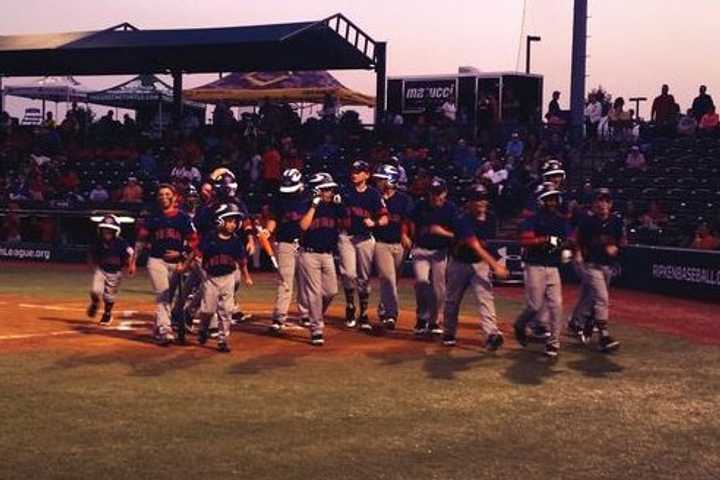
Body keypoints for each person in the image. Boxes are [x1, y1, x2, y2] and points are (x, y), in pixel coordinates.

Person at [442, 185, 509, 347]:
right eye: (477, 199)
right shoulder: (461, 219)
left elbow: (486, 245)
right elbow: (475, 245)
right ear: (469, 202)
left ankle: (491, 334)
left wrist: (491, 263)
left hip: (480, 263)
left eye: (483, 198)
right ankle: (449, 333)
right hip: (459, 263)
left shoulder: (491, 218)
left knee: (485, 297)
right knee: (452, 300)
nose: (481, 202)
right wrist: (496, 265)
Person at [130, 184, 198, 346]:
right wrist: (133, 260)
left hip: (177, 264)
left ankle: (158, 327)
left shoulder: (182, 218)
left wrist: (182, 254)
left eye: (167, 194)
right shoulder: (153, 217)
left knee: (170, 296)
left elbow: (194, 241)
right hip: (156, 261)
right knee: (163, 295)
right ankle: (165, 330)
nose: (164, 197)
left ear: (174, 197)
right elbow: (141, 240)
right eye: (160, 194)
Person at [513, 182, 573, 358]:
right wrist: (545, 240)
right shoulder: (533, 219)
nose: (552, 202)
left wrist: (565, 245)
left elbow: (569, 238)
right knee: (534, 305)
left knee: (556, 305)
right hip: (535, 265)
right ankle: (520, 324)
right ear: (542, 200)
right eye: (548, 199)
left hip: (552, 266)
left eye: (554, 198)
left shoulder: (561, 220)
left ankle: (553, 342)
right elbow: (525, 240)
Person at [189, 203, 252, 353]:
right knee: (207, 311)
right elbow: (196, 253)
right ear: (219, 221)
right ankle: (203, 329)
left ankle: (223, 340)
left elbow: (242, 261)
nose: (232, 225)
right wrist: (185, 267)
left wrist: (247, 276)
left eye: (234, 222)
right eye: (229, 221)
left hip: (228, 277)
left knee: (226, 311)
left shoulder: (236, 240)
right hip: (211, 278)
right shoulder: (210, 237)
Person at [568, 188, 624, 352]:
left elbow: (621, 242)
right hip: (590, 265)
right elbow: (575, 239)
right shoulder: (587, 221)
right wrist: (577, 254)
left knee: (589, 296)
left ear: (611, 204)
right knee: (601, 298)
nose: (603, 204)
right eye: (599, 200)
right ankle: (604, 335)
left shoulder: (616, 222)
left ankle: (577, 322)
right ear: (593, 204)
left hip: (607, 266)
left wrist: (616, 249)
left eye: (606, 200)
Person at [297, 172, 346, 346]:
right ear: (317, 190)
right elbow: (303, 226)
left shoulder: (334, 206)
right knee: (315, 293)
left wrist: (341, 207)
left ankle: (316, 314)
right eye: (326, 190)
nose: (330, 193)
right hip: (309, 254)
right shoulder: (306, 204)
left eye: (331, 190)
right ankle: (316, 329)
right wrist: (313, 206)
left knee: (331, 291)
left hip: (327, 255)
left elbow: (345, 225)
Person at [338, 160, 388, 330]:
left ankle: (364, 313)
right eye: (353, 171)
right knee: (349, 274)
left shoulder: (373, 194)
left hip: (365, 238)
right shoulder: (344, 192)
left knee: (364, 277)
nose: (355, 174)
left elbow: (384, 217)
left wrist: (374, 223)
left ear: (367, 175)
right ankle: (350, 307)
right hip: (347, 237)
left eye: (359, 171)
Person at [408, 177, 459, 336]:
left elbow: (459, 234)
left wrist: (441, 232)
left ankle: (434, 321)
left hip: (440, 252)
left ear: (445, 193)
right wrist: (407, 235)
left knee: (438, 290)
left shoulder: (451, 209)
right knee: (422, 282)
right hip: (421, 250)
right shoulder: (420, 206)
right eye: (433, 193)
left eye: (439, 193)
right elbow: (408, 220)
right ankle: (422, 318)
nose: (436, 197)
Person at [265, 168, 310, 332]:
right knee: (284, 281)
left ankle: (305, 314)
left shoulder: (308, 197)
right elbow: (273, 218)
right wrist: (268, 231)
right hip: (285, 242)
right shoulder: (279, 198)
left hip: (306, 244)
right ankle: (279, 317)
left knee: (305, 281)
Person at [372, 164, 414, 329]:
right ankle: (391, 315)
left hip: (400, 245)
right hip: (381, 243)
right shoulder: (374, 197)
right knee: (387, 278)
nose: (378, 182)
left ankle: (384, 307)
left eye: (381, 179)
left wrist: (405, 235)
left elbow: (407, 219)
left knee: (393, 280)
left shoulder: (404, 199)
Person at [86, 215, 134, 326]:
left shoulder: (121, 242)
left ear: (115, 231)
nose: (106, 232)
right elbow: (90, 252)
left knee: (109, 297)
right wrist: (91, 264)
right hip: (101, 270)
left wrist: (131, 265)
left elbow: (131, 253)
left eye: (109, 230)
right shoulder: (98, 241)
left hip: (115, 273)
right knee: (95, 291)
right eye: (104, 229)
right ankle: (95, 303)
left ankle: (107, 314)